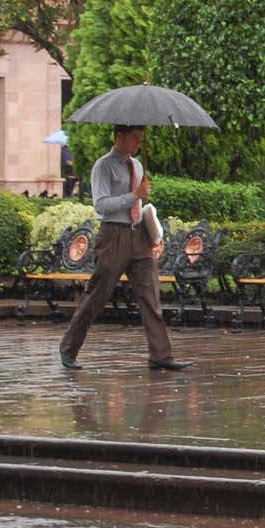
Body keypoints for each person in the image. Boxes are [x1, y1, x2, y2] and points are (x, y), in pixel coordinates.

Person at [58, 124, 189, 372]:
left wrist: (151, 229)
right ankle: (68, 348)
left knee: (151, 296)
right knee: (98, 295)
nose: (138, 143)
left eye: (141, 139)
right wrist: (134, 195)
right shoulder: (103, 166)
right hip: (113, 235)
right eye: (134, 139)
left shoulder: (137, 166)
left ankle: (161, 355)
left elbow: (139, 203)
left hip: (138, 234)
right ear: (119, 136)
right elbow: (101, 204)